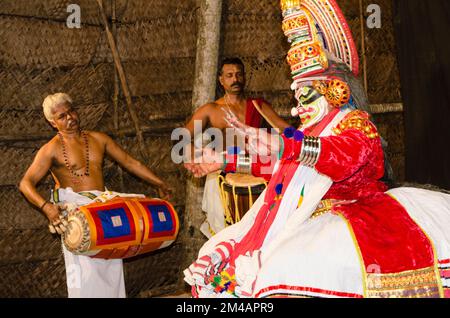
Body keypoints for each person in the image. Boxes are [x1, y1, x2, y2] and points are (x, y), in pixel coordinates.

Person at [183, 0, 450, 298]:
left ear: (334, 91)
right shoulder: (313, 131)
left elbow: (340, 156)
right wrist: (223, 162)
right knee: (219, 251)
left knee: (283, 268)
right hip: (308, 213)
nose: (297, 108)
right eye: (296, 97)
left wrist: (286, 143)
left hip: (354, 214)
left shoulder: (356, 124)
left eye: (304, 96)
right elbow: (283, 169)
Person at [19, 92, 171, 298]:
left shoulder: (99, 139)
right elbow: (26, 184)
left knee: (112, 265)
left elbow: (130, 162)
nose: (70, 118)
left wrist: (159, 183)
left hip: (104, 211)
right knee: (85, 276)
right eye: (62, 116)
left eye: (71, 111)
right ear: (52, 122)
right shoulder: (51, 149)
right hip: (76, 215)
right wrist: (47, 208)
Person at [184, 57, 290, 237]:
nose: (235, 79)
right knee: (223, 235)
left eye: (239, 75)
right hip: (222, 173)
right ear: (221, 80)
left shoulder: (258, 105)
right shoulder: (211, 109)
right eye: (230, 75)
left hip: (255, 173)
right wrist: (198, 154)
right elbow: (183, 137)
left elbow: (288, 132)